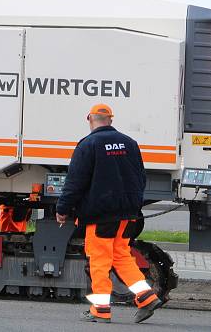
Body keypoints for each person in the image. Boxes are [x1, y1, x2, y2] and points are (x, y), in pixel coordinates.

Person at [55, 104, 162, 324]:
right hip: (128, 214)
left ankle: (100, 310)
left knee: (99, 261)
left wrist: (63, 209)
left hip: (101, 216)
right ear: (110, 120)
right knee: (121, 256)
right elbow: (141, 178)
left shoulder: (88, 144)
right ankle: (147, 297)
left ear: (89, 119)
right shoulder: (130, 144)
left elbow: (75, 182)